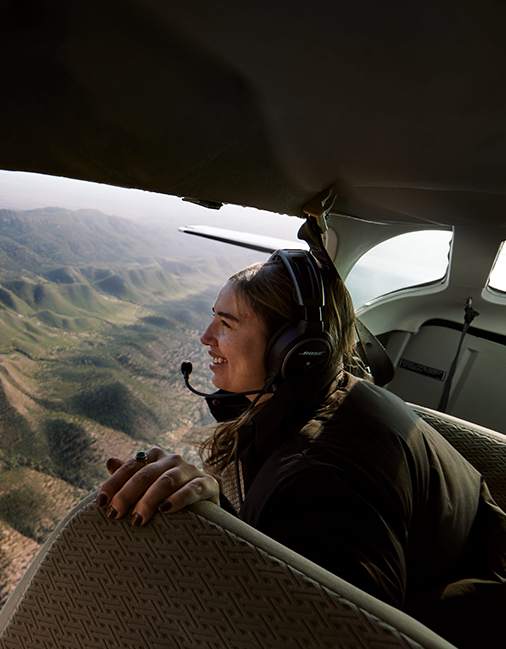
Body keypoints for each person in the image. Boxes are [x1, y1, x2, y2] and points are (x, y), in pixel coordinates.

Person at [98, 249, 506, 648]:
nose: (206, 338)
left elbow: (338, 631)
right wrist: (219, 516)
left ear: (292, 349)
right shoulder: (344, 394)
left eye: (226, 323)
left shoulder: (319, 478)